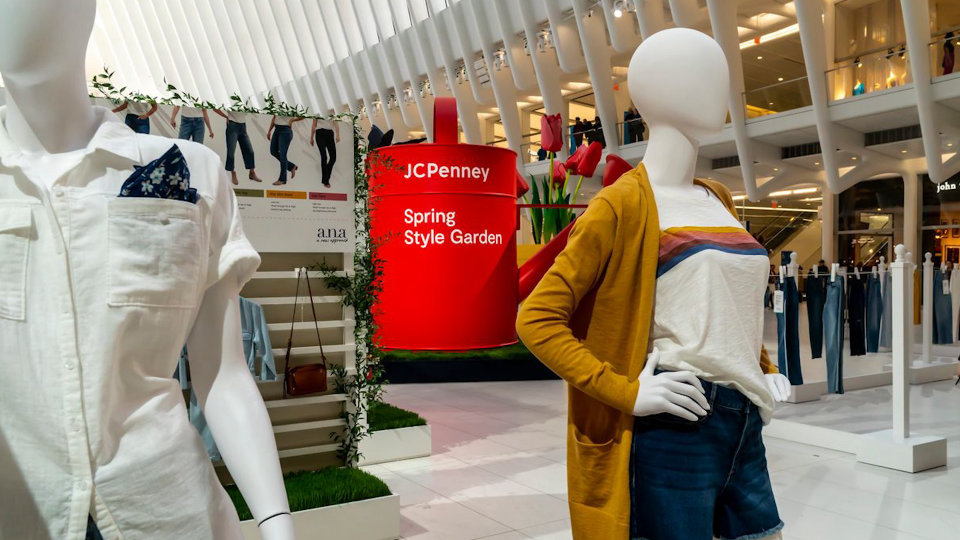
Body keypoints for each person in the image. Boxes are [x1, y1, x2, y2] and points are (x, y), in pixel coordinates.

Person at [214, 109, 262, 185]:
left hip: (243, 126)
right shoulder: (228, 102)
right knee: (231, 153)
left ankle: (252, 172)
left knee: (250, 151)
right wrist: (226, 116)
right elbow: (215, 108)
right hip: (232, 126)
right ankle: (233, 172)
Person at [267, 115, 303, 185]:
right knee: (273, 151)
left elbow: (303, 116)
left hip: (285, 131)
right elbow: (274, 117)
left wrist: (292, 120)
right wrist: (269, 131)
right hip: (276, 129)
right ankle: (291, 166)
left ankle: (282, 179)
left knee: (283, 155)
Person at [310, 117, 340, 188]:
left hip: (330, 133)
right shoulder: (316, 112)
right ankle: (326, 180)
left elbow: (336, 123)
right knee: (324, 156)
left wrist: (338, 135)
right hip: (319, 133)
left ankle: (325, 178)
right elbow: (314, 125)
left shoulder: (332, 112)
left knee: (333, 158)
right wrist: (311, 138)